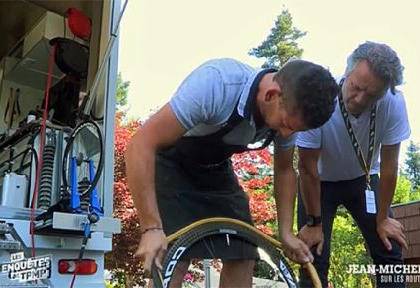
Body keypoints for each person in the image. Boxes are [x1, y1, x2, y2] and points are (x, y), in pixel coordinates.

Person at [125, 58, 339, 287]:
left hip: (216, 169)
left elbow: (285, 170)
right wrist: (151, 227)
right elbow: (140, 144)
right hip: (171, 164)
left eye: (295, 129)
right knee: (172, 258)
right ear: (271, 95)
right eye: (286, 124)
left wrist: (285, 232)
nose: (287, 134)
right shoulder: (216, 84)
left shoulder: (291, 110)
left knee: (244, 252)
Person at [296, 41, 411, 287]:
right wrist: (314, 223)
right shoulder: (320, 100)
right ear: (347, 72)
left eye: (372, 95)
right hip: (318, 183)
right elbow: (306, 167)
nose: (359, 99)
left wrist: (383, 219)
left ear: (386, 91)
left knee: (389, 249)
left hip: (364, 180)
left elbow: (390, 166)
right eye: (356, 87)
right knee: (312, 255)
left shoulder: (393, 103)